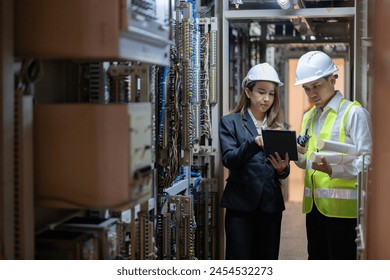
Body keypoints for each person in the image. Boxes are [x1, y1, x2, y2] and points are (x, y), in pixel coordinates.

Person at [294, 51, 372, 260]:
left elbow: (368, 161)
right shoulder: (308, 117)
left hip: (343, 212)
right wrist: (294, 156)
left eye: (316, 86)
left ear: (332, 79)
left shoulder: (353, 113)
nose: (311, 93)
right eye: (306, 88)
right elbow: (306, 161)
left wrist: (334, 170)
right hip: (314, 210)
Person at [219, 62, 290, 260]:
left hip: (270, 206)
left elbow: (284, 170)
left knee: (267, 259)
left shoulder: (279, 126)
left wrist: (282, 170)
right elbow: (229, 160)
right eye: (261, 92)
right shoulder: (230, 122)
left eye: (271, 93)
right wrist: (253, 142)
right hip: (240, 206)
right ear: (248, 92)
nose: (266, 99)